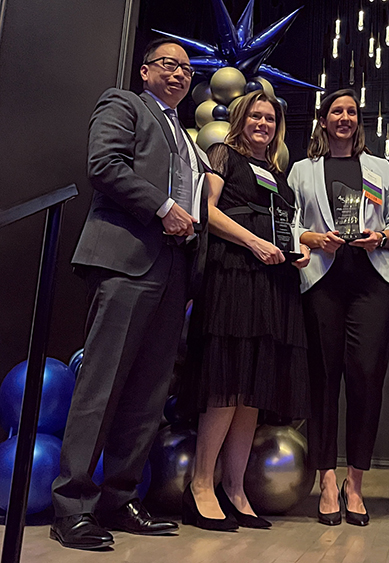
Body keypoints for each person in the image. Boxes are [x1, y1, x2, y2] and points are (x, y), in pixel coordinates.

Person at [51, 38, 209, 549]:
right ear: (144, 72)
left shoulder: (186, 137)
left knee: (148, 392)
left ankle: (118, 499)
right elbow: (104, 165)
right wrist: (164, 207)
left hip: (172, 269)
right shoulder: (123, 103)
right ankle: (72, 506)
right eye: (169, 64)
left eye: (187, 68)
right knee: (101, 386)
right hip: (126, 260)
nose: (180, 73)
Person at [180, 89, 311, 532]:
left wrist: (297, 252)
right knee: (227, 382)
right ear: (241, 119)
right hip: (233, 276)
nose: (263, 124)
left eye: (270, 118)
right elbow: (206, 212)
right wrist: (253, 241)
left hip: (272, 286)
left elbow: (285, 228)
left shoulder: (278, 172)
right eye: (255, 116)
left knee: (252, 389)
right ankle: (201, 485)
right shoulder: (223, 155)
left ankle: (235, 489)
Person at [288, 89, 389, 527]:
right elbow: (291, 222)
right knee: (322, 380)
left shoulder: (381, 168)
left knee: (365, 380)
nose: (345, 117)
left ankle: (356, 482)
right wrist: (312, 239)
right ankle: (327, 479)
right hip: (322, 281)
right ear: (323, 120)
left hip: (373, 283)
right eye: (336, 111)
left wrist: (383, 238)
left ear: (359, 120)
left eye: (352, 111)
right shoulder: (302, 170)